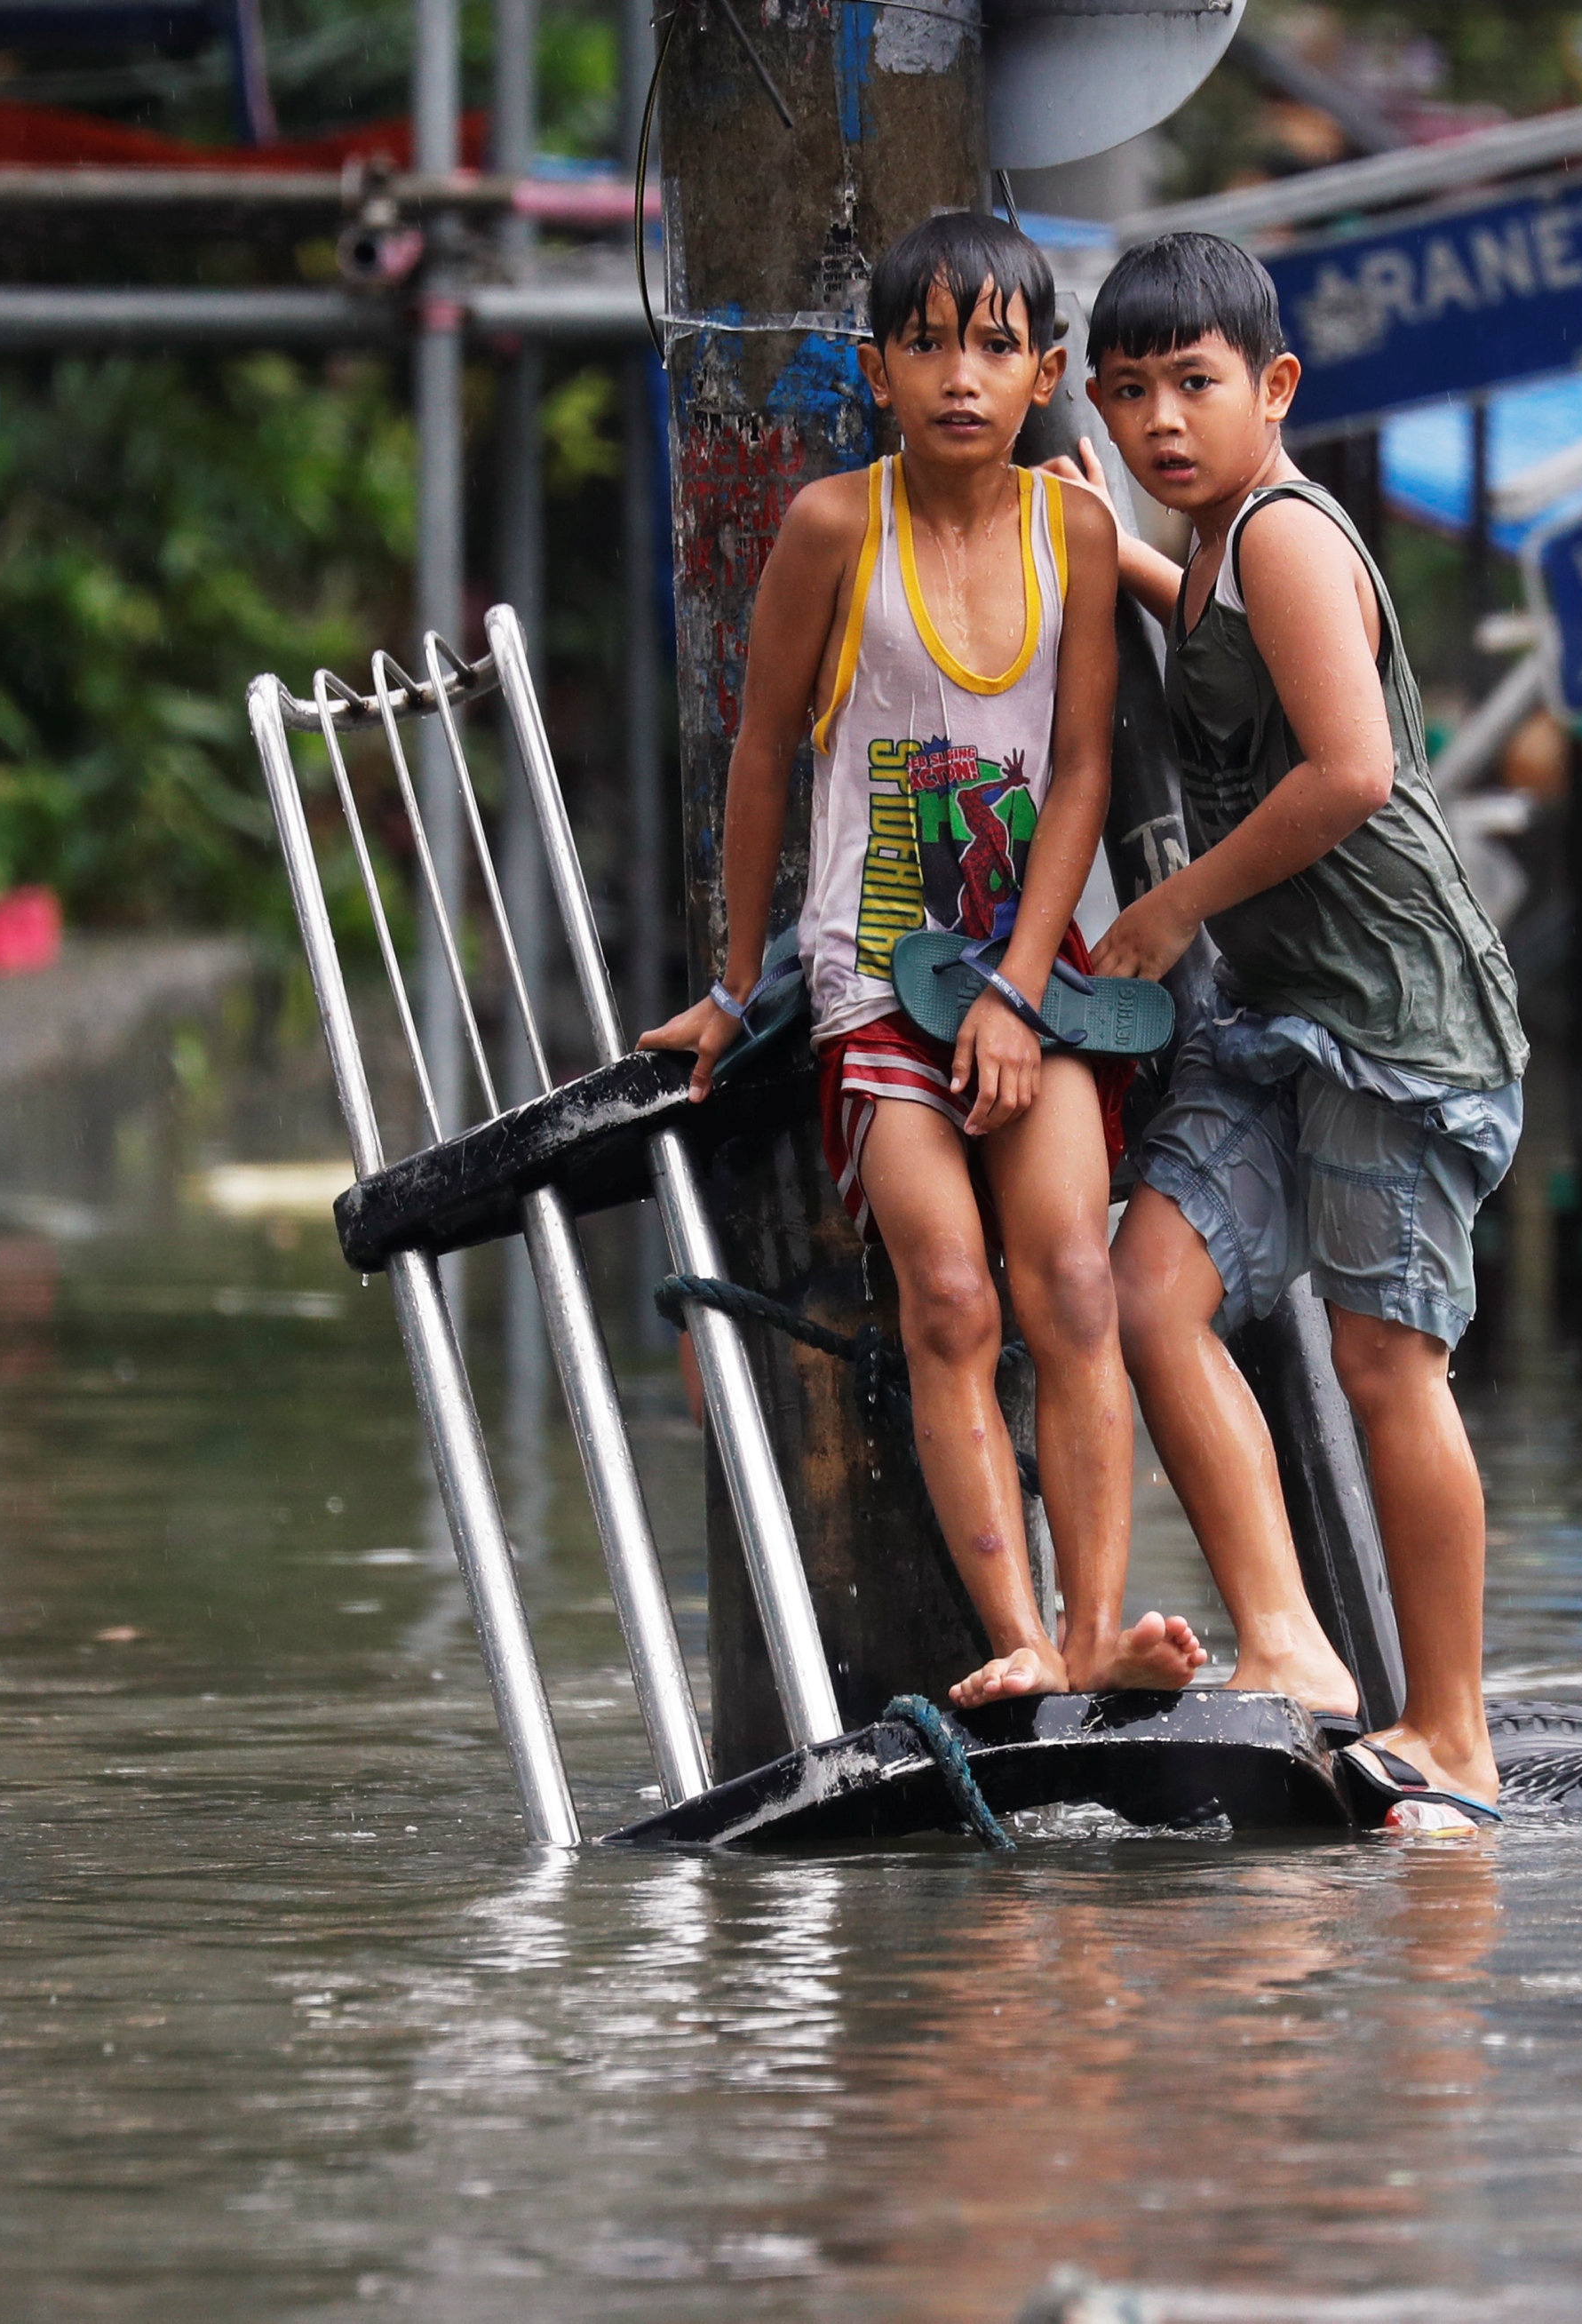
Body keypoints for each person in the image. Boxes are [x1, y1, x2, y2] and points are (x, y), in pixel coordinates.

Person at [641, 211, 1202, 1710]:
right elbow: (762, 755)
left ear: (1045, 375)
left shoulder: (1074, 529)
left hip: (1042, 975)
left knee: (1071, 1285)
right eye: (930, 344)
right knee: (949, 1294)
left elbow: (1082, 766)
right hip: (877, 981)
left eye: (997, 348)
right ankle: (1018, 1636)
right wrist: (730, 973)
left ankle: (1096, 1635)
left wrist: (1022, 990)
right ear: (880, 366)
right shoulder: (835, 525)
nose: (963, 376)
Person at [1062, 231, 1529, 1827]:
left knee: (1388, 1359)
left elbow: (1352, 775)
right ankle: (1292, 1643)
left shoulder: (1283, 541)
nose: (1160, 424)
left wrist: (1174, 901)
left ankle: (1453, 1725)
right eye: (1128, 396)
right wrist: (1079, 523)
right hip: (1281, 1022)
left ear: (1274, 391)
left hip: (1398, 1016)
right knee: (1148, 1290)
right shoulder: (1200, 554)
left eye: (1194, 385)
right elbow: (1181, 613)